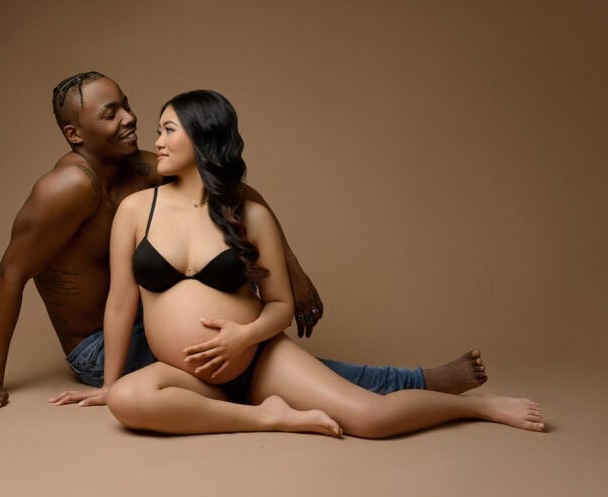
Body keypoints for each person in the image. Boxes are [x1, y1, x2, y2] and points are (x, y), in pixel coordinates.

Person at [0, 72, 486, 416]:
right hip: (101, 348)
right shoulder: (67, 188)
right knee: (266, 365)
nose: (131, 118)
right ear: (75, 134)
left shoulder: (140, 167)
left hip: (160, 329)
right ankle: (409, 383)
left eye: (128, 104)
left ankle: (366, 390)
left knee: (262, 355)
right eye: (110, 113)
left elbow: (233, 188)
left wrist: (292, 275)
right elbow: (9, 275)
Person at [53, 90, 545, 437]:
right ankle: (268, 418)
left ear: (202, 139)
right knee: (127, 402)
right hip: (190, 378)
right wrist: (110, 383)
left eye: (167, 130)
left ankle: (481, 407)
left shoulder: (251, 214)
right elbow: (120, 303)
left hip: (260, 362)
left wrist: (242, 337)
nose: (155, 142)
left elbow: (281, 306)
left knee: (371, 419)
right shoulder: (138, 211)